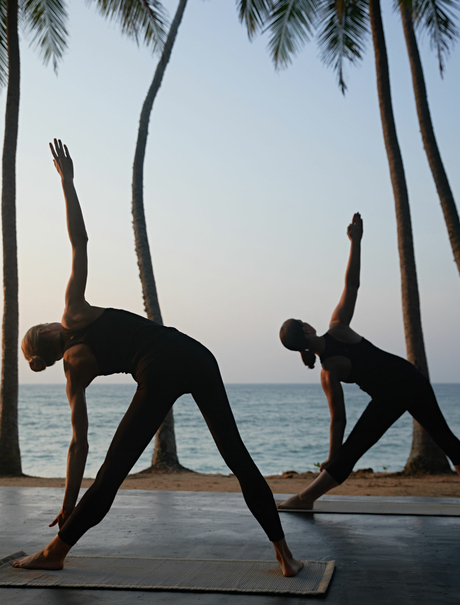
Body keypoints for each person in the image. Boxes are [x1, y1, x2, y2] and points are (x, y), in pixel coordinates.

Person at [14, 140, 302, 577]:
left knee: (112, 471)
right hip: (194, 352)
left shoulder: (73, 369)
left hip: (158, 371)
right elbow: (80, 240)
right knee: (237, 457)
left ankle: (56, 551)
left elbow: (79, 444)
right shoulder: (72, 310)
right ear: (48, 330)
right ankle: (285, 555)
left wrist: (70, 501)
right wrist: (68, 183)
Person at [278, 212, 460, 510]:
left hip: (391, 394)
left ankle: (305, 499)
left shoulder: (327, 371)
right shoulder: (337, 327)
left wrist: (333, 456)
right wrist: (356, 242)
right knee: (447, 440)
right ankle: (305, 498)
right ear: (308, 327)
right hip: (409, 377)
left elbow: (339, 419)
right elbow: (352, 285)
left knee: (351, 452)